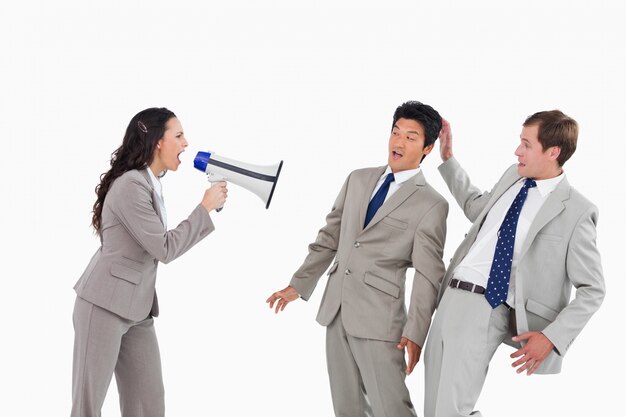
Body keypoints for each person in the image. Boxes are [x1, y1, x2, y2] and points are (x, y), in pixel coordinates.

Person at [267, 101, 448, 417]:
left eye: (410, 137)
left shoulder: (431, 204)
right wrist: (298, 285)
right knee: (347, 409)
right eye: (395, 132)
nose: (398, 142)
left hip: (381, 321)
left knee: (391, 408)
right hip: (335, 311)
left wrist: (416, 332)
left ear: (427, 148)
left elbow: (428, 275)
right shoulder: (357, 179)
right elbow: (329, 238)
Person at [424, 111, 605, 417]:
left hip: (486, 305)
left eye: (526, 144)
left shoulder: (576, 211)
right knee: (434, 409)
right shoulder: (513, 175)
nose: (517, 151)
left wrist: (552, 337)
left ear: (553, 152)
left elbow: (593, 289)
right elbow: (476, 208)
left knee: (450, 411)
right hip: (450, 296)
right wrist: (448, 159)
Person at [71, 107, 227, 417]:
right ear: (158, 141)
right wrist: (204, 208)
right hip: (102, 306)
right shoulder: (131, 185)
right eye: (179, 135)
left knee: (148, 405)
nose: (186, 144)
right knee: (88, 408)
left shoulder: (151, 182)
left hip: (138, 309)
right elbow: (164, 248)